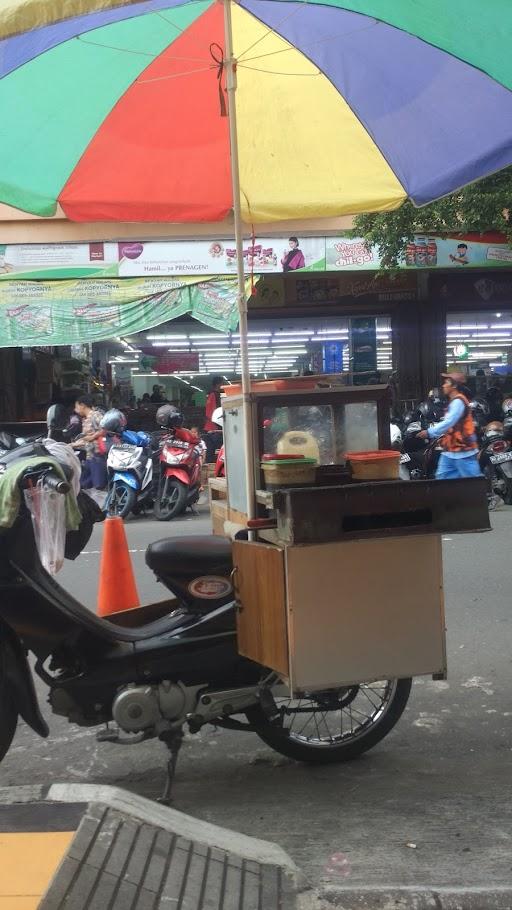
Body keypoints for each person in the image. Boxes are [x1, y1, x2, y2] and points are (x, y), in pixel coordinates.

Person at [418, 372, 481, 479]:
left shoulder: (458, 402)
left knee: (472, 482)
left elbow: (449, 422)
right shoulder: (454, 401)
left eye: (446, 382)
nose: (443, 385)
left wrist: (429, 432)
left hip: (463, 450)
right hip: (450, 450)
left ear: (454, 385)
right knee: (442, 479)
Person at [71, 394, 107, 492]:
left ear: (82, 405)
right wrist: (71, 445)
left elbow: (106, 428)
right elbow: (85, 439)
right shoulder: (85, 419)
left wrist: (93, 437)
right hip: (89, 455)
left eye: (76, 406)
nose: (75, 409)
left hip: (98, 454)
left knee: (98, 486)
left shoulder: (96, 415)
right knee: (83, 484)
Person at [204, 376, 223, 463]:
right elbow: (212, 411)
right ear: (218, 384)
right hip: (214, 427)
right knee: (215, 450)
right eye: (222, 383)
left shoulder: (212, 394)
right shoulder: (214, 395)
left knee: (211, 450)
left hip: (211, 427)